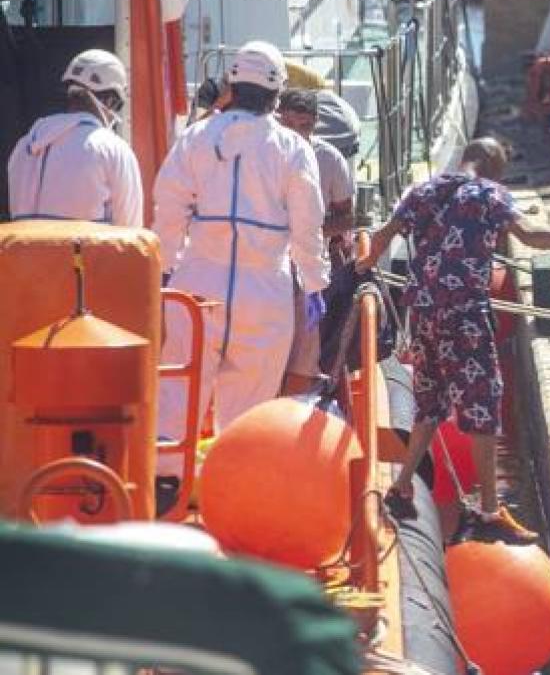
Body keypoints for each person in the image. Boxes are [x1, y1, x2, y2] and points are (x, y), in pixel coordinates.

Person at [359, 137, 550, 544]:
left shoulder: (422, 190)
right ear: (494, 163)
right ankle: (490, 510)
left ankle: (402, 486)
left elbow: (384, 236)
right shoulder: (488, 193)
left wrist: (364, 267)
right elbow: (530, 235)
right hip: (464, 312)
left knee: (430, 398)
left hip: (423, 312)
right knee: (483, 401)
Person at [153, 41, 330, 488]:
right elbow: (308, 224)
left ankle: (165, 491)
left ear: (232, 84)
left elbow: (168, 208)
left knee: (178, 393)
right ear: (276, 96)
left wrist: (164, 272)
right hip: (263, 290)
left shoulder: (195, 137)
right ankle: (235, 495)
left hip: (196, 283)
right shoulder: (291, 148)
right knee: (250, 407)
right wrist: (314, 285)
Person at [276, 89, 356, 395]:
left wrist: (309, 233)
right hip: (265, 264)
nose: (297, 133)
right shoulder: (261, 155)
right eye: (290, 124)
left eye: (305, 126)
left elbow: (348, 218)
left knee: (305, 352)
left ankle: (298, 399)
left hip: (310, 267)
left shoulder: (330, 160)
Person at [7, 49, 142, 226]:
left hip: (27, 254)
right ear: (110, 101)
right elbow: (130, 233)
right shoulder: (114, 150)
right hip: (86, 254)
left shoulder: (23, 147)